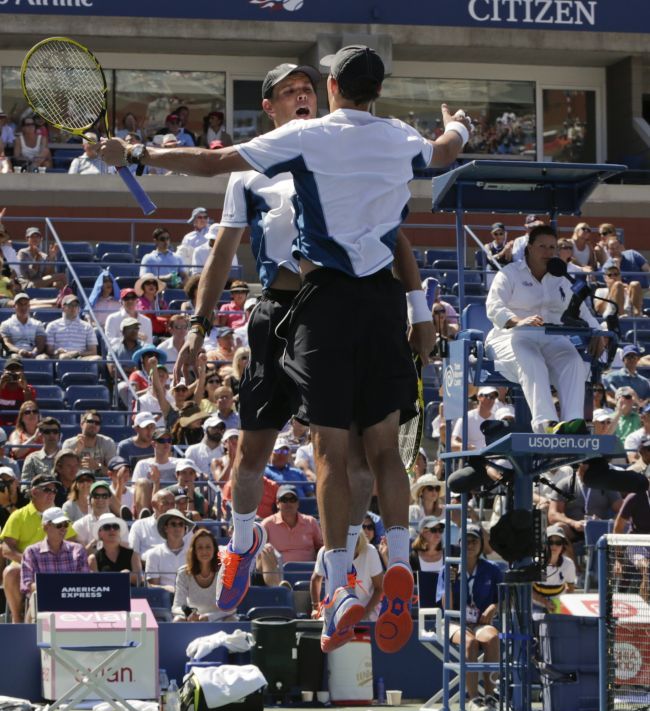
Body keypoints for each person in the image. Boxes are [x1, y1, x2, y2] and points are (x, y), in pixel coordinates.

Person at [100, 46, 465, 655]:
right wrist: (196, 323)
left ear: (326, 88)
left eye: (308, 85)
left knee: (347, 454)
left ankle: (343, 579)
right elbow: (220, 248)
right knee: (260, 450)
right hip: (282, 312)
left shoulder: (324, 141)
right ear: (268, 106)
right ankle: (244, 543)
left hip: (330, 308)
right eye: (288, 89)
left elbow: (397, 237)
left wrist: (137, 153)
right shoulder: (265, 166)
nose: (300, 94)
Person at [485, 224, 603, 434]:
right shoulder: (509, 273)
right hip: (510, 335)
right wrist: (517, 321)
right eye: (542, 246)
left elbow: (582, 311)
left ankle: (573, 422)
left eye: (552, 247)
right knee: (532, 359)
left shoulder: (561, 277)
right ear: (529, 247)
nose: (548, 252)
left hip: (550, 336)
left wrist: (596, 332)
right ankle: (545, 425)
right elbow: (494, 307)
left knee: (572, 360)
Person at [437, 523, 503, 711]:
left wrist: (493, 607)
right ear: (459, 544)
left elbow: (502, 598)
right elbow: (445, 606)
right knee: (470, 643)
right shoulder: (448, 568)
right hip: (454, 621)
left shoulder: (492, 569)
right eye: (466, 540)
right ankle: (474, 699)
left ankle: (490, 697)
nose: (470, 544)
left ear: (481, 544)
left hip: (480, 622)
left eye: (474, 540)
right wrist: (449, 583)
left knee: (492, 638)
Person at [0, 475, 74, 623]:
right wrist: (31, 562)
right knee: (10, 572)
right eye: (47, 489)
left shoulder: (61, 515)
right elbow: (6, 549)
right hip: (25, 565)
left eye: (54, 491)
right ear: (34, 492)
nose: (52, 494)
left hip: (57, 564)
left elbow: (72, 543)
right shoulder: (18, 516)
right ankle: (17, 620)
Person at [21, 507, 88, 622]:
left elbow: (85, 581)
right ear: (45, 527)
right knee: (35, 599)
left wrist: (60, 590)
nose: (63, 529)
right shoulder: (31, 552)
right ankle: (31, 638)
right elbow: (28, 585)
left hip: (73, 603)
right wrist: (57, 591)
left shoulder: (78, 550)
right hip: (44, 603)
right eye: (59, 525)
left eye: (66, 524)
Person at [312, 531, 383, 621]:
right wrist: (315, 607)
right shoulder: (324, 552)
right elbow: (316, 580)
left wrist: (365, 612)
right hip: (333, 612)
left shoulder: (370, 551)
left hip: (366, 611)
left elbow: (379, 588)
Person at [547, 462, 622, 542]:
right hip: (573, 530)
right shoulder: (565, 484)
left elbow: (622, 511)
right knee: (559, 527)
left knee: (621, 527)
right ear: (579, 467)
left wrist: (604, 523)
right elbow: (553, 515)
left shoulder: (605, 484)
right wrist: (574, 523)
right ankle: (568, 554)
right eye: (585, 470)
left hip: (600, 530)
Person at [172, 528, 235, 621]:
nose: (204, 551)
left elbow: (231, 608)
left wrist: (209, 617)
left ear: (214, 549)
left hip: (218, 620)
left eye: (208, 547)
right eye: (200, 547)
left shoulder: (225, 571)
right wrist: (189, 614)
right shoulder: (183, 573)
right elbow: (176, 607)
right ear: (194, 551)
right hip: (193, 621)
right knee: (177, 620)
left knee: (232, 620)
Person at [261, 484, 323, 563]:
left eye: (292, 499)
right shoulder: (267, 524)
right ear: (277, 503)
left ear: (298, 503)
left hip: (309, 572)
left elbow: (321, 548)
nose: (288, 503)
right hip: (278, 573)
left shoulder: (311, 522)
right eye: (284, 499)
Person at [143, 508, 194, 592]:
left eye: (181, 524)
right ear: (166, 528)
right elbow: (152, 587)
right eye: (173, 524)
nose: (177, 527)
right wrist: (167, 589)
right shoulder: (154, 554)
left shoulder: (194, 553)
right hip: (163, 601)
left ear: (185, 529)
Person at [532, 524, 577, 614]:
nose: (554, 546)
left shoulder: (569, 564)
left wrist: (561, 603)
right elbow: (529, 590)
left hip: (557, 605)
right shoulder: (534, 563)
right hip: (535, 604)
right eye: (550, 542)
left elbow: (571, 588)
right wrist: (545, 602)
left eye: (558, 542)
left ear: (563, 545)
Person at [72, 480, 128, 550]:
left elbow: (127, 550)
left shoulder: (119, 524)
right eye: (96, 496)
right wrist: (96, 541)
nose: (100, 499)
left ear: (110, 499)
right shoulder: (79, 524)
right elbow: (80, 556)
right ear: (89, 499)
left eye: (104, 496)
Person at [88, 513, 142, 583]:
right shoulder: (93, 559)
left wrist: (130, 576)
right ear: (100, 533)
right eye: (106, 527)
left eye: (115, 526)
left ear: (119, 531)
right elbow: (94, 583)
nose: (112, 530)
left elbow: (139, 581)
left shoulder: (133, 555)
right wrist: (118, 578)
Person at [44, 295, 100, 360]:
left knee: (97, 359)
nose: (74, 308)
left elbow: (93, 351)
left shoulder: (87, 327)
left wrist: (77, 353)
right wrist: (57, 352)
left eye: (76, 305)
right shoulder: (52, 326)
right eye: (70, 305)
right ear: (63, 308)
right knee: (64, 357)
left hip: (81, 357)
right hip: (60, 357)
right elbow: (49, 350)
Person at [61, 411, 117, 476]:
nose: (94, 425)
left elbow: (114, 473)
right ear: (82, 424)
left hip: (100, 483)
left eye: (97, 423)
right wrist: (76, 453)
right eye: (90, 421)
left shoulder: (108, 443)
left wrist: (98, 465)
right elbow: (64, 472)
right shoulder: (69, 444)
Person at [409, 516, 446, 609]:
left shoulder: (449, 555)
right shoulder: (413, 558)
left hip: (444, 612)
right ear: (422, 532)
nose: (438, 533)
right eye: (433, 530)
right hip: (420, 613)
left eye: (440, 530)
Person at [128, 488, 176, 556]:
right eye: (165, 503)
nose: (169, 507)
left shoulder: (182, 526)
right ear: (154, 504)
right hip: (145, 565)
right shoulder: (139, 526)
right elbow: (132, 554)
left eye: (172, 504)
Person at [450, 386, 497, 451]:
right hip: (473, 459)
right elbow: (453, 444)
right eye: (488, 396)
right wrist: (463, 446)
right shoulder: (467, 417)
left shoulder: (497, 418)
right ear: (479, 397)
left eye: (493, 397)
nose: (491, 400)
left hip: (495, 458)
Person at [0, 293, 46, 358]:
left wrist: (33, 353)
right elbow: (7, 343)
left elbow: (40, 343)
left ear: (29, 306)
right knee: (15, 357)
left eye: (25, 304)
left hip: (34, 354)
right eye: (20, 304)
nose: (23, 307)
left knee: (43, 358)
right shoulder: (6, 324)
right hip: (14, 354)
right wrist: (19, 351)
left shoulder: (38, 324)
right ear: (14, 306)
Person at [0, 354, 37, 425]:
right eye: (10, 369)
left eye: (16, 369)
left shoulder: (29, 389)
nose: (13, 372)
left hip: (20, 426)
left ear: (22, 372)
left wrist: (25, 389)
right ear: (4, 372)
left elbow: (31, 410)